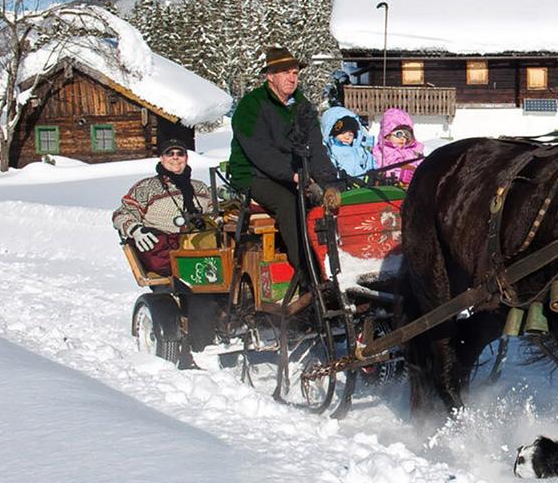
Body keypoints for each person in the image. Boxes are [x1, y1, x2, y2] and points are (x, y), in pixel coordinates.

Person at [229, 46, 341, 281]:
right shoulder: (251, 106)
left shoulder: (303, 106)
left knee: (329, 201)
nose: (292, 78)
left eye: (295, 73)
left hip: (294, 172)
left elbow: (317, 148)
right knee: (290, 202)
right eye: (285, 73)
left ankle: (336, 262)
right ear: (270, 76)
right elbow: (260, 152)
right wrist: (294, 174)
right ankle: (306, 269)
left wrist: (329, 180)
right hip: (253, 174)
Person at [113, 136, 216, 367]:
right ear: (161, 158)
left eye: (180, 154)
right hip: (162, 250)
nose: (175, 158)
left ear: (187, 158)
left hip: (198, 249)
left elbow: (216, 215)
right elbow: (122, 213)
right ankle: (200, 349)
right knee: (200, 290)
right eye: (170, 154)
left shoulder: (200, 188)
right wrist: (136, 230)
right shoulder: (147, 187)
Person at [319, 104, 375, 182]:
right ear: (333, 132)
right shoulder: (332, 150)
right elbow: (329, 167)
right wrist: (339, 175)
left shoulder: (358, 149)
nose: (347, 137)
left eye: (350, 135)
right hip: (344, 184)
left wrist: (372, 171)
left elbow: (368, 160)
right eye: (342, 133)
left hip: (362, 182)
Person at [372, 107, 425, 185]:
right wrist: (399, 175)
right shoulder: (380, 151)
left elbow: (421, 166)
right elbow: (380, 170)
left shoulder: (414, 151)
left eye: (407, 135)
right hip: (391, 189)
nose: (403, 138)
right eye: (399, 134)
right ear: (387, 133)